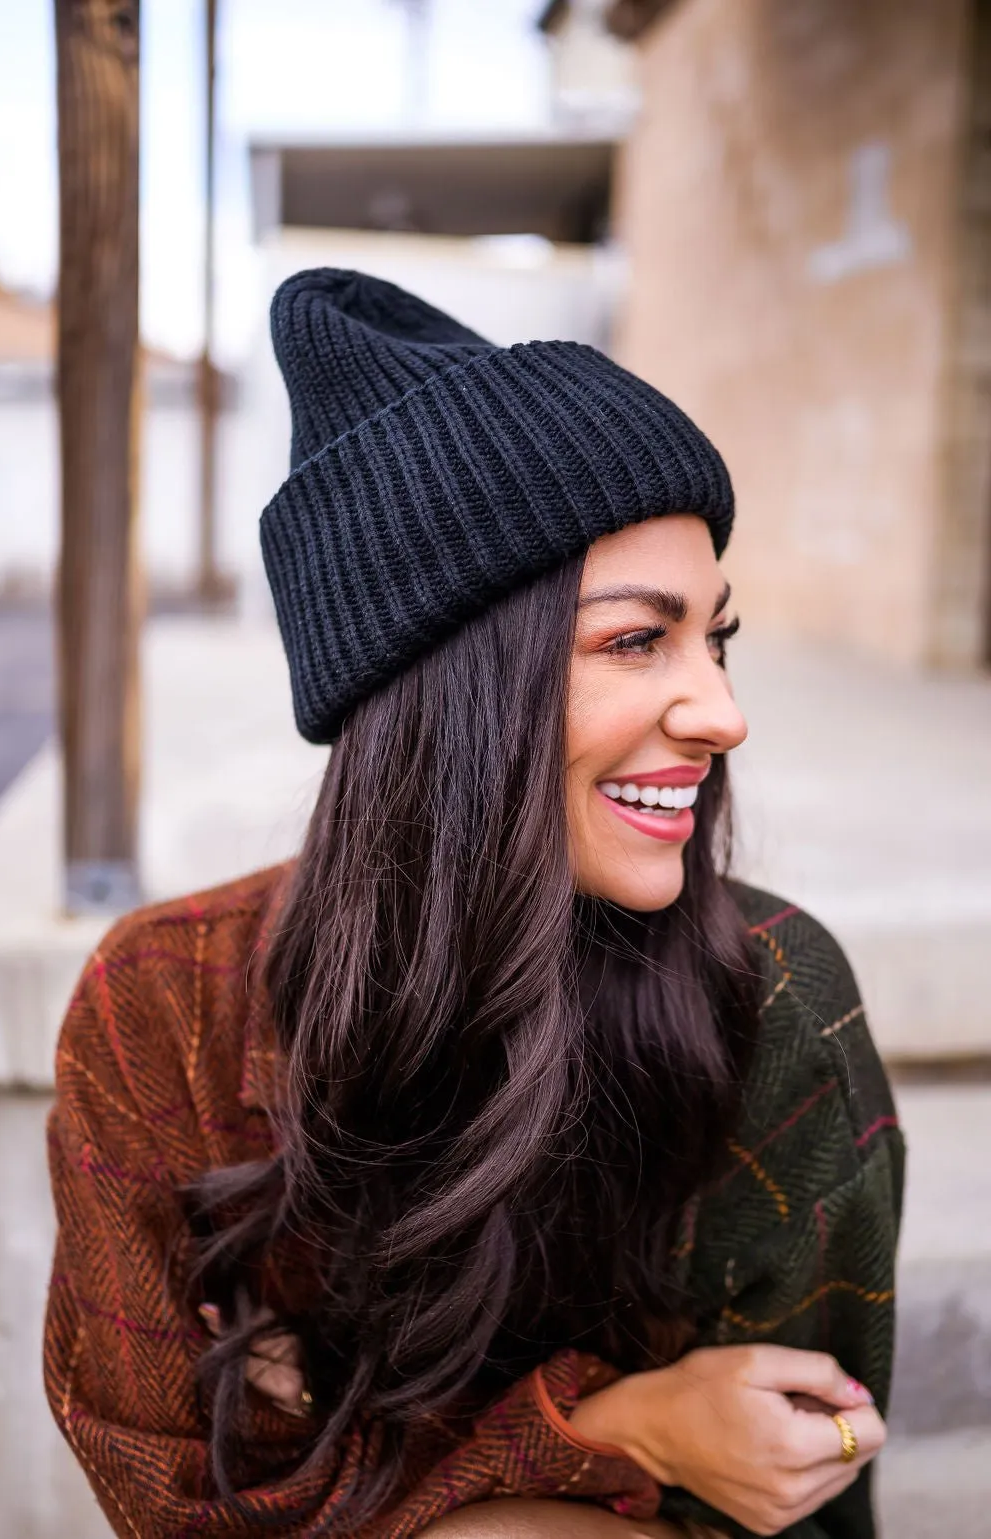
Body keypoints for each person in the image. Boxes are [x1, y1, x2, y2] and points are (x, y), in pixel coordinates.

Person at [44, 270, 903, 1539]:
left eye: (716, 637)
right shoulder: (162, 1006)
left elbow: (789, 1489)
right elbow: (178, 1503)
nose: (722, 713)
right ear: (446, 692)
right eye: (633, 642)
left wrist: (348, 1440)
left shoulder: (768, 995)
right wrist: (614, 1427)